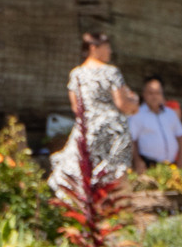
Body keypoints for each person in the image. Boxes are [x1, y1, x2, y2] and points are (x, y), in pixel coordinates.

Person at [50, 33, 134, 197]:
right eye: (107, 47)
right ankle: (119, 211)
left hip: (87, 129)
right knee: (115, 173)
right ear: (93, 48)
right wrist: (134, 105)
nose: (110, 51)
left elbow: (76, 108)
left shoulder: (76, 74)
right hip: (112, 130)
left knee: (84, 169)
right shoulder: (111, 72)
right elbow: (122, 104)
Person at [127, 77, 182, 170]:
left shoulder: (170, 113)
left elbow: (181, 138)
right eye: (151, 93)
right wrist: (137, 161)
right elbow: (132, 140)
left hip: (171, 166)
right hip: (148, 166)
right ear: (144, 94)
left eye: (157, 93)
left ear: (162, 95)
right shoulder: (137, 115)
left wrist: (181, 162)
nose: (154, 97)